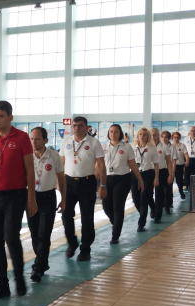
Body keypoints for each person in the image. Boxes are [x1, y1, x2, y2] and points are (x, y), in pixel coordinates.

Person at [0, 101, 37, 298]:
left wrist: (31, 197)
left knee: (11, 238)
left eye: (0, 116)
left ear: (10, 117)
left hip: (15, 195)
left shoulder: (21, 138)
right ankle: (1, 284)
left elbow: (30, 169)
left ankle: (19, 277)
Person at [60, 116, 106, 261]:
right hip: (68, 183)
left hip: (87, 183)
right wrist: (58, 184)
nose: (77, 128)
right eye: (74, 125)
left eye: (80, 125)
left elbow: (102, 165)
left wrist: (103, 185)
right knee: (66, 214)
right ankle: (72, 242)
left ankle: (85, 248)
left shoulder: (94, 142)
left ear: (86, 127)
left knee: (87, 217)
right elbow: (61, 164)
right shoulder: (66, 141)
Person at [27, 127, 65, 281]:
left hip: (48, 197)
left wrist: (63, 199)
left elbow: (61, 178)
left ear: (45, 140)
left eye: (37, 139)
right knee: (34, 233)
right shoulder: (26, 156)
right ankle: (43, 262)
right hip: (31, 197)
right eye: (31, 139)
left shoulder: (54, 156)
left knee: (44, 233)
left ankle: (38, 267)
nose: (33, 142)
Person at [102, 124, 143, 244]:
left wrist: (140, 180)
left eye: (116, 131)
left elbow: (133, 164)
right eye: (111, 131)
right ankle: (116, 223)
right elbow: (99, 165)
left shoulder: (126, 147)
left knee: (118, 206)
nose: (113, 134)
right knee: (106, 207)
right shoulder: (103, 146)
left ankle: (115, 235)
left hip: (122, 179)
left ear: (120, 133)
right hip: (107, 179)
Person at [132, 127, 159, 233]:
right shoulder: (133, 147)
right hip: (134, 174)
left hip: (147, 174)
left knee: (144, 199)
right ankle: (147, 210)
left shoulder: (152, 148)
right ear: (137, 136)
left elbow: (156, 164)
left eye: (144, 134)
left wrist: (156, 178)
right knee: (135, 199)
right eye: (140, 134)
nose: (142, 136)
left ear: (148, 136)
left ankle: (141, 224)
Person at [149, 128, 173, 222]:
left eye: (154, 135)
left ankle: (158, 215)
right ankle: (153, 207)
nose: (153, 137)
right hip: (149, 171)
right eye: (151, 135)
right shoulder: (147, 146)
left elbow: (169, 162)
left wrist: (170, 174)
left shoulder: (164, 147)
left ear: (158, 135)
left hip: (161, 171)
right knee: (148, 194)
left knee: (159, 194)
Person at [172, 131, 187, 199]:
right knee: (170, 181)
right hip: (171, 166)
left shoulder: (182, 146)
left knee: (179, 181)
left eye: (177, 137)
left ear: (180, 138)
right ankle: (170, 195)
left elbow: (186, 154)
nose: (176, 139)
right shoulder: (170, 146)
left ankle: (181, 192)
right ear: (172, 138)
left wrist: (187, 160)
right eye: (175, 137)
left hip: (179, 165)